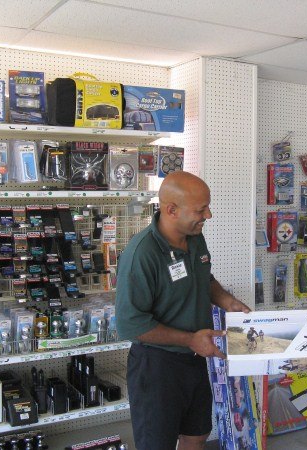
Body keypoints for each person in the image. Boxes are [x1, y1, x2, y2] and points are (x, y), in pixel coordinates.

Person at [116, 171, 250, 450]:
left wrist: (227, 301)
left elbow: (204, 278)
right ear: (171, 210)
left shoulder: (195, 238)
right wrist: (190, 339)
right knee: (157, 444)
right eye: (201, 210)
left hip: (194, 359)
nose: (208, 215)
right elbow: (131, 325)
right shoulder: (142, 254)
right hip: (156, 367)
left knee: (196, 435)